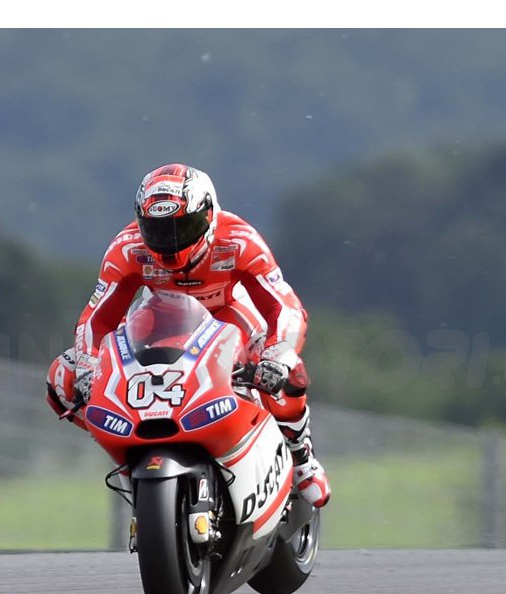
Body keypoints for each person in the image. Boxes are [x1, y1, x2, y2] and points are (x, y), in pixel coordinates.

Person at [46, 164, 330, 509]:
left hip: (230, 316)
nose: (171, 242)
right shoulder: (127, 248)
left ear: (209, 214)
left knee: (286, 370)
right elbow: (97, 316)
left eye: (184, 227)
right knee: (65, 377)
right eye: (158, 230)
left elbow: (284, 305)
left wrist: (278, 352)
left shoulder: (240, 240)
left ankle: (302, 457)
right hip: (161, 320)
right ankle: (129, 455)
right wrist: (90, 365)